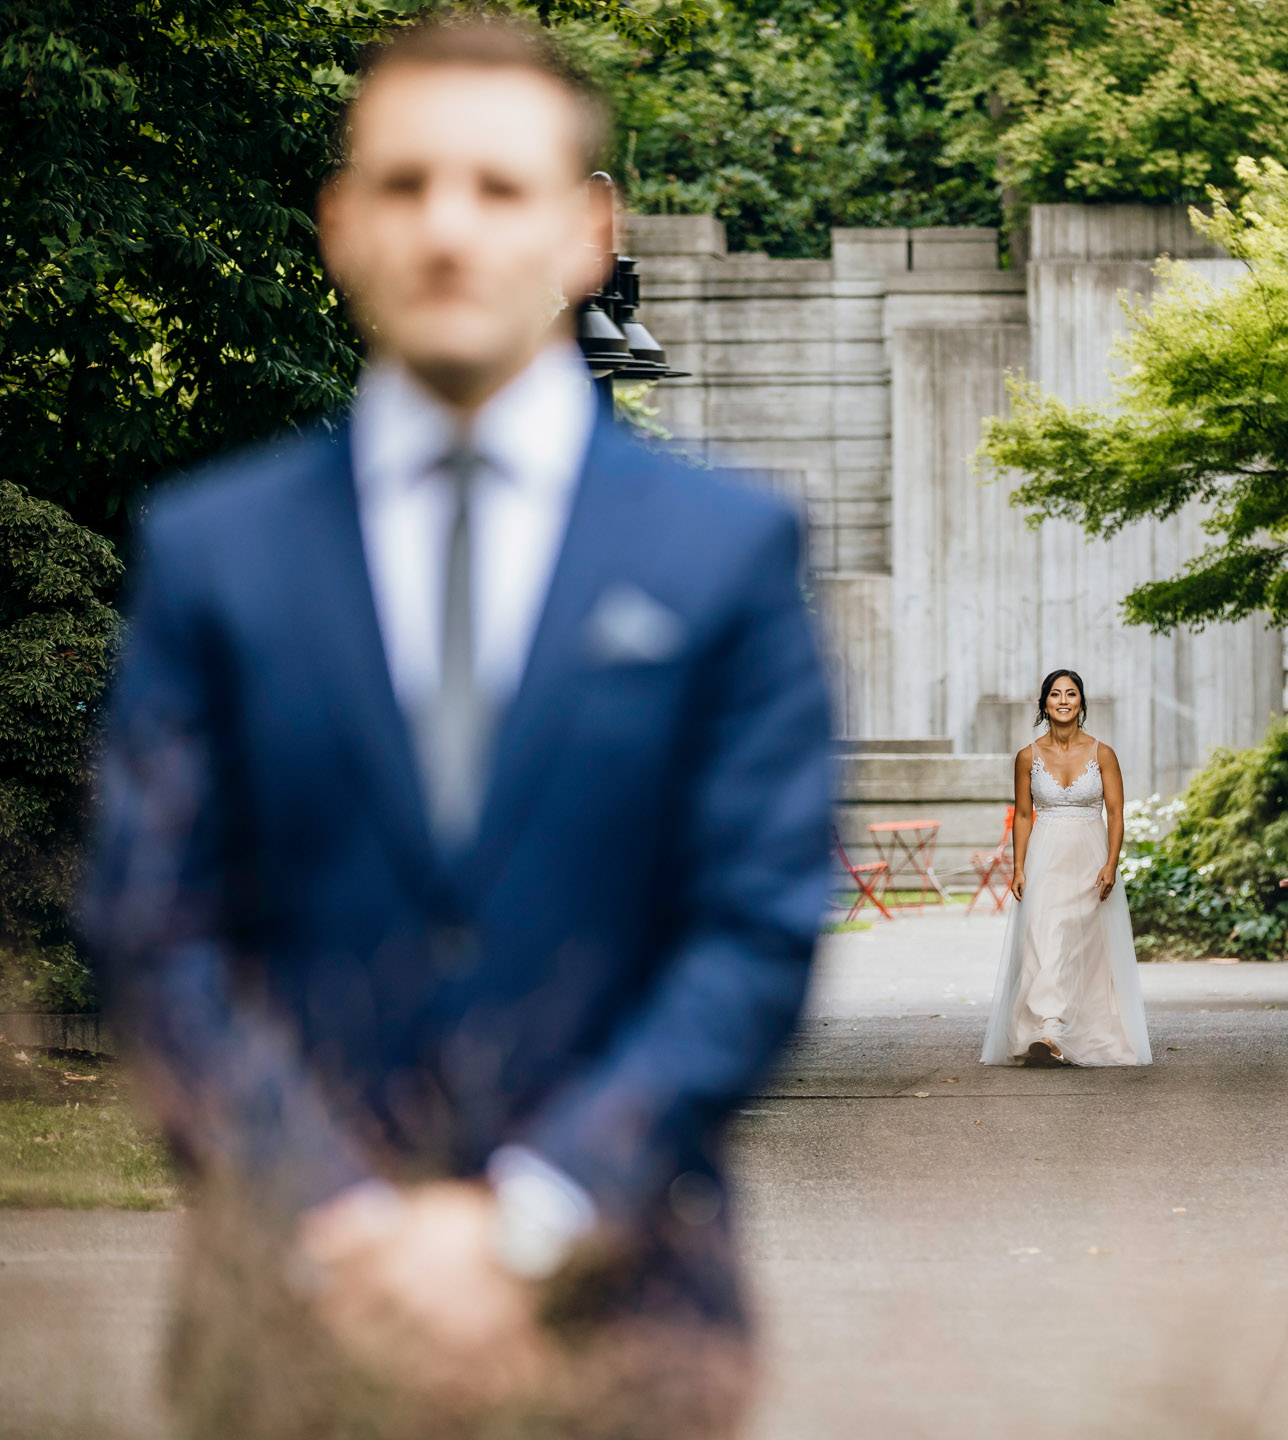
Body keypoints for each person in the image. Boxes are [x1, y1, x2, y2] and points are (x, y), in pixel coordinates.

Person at [79, 15, 831, 1439]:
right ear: (341, 225)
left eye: (498, 188)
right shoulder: (213, 551)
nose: (448, 229)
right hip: (290, 1328)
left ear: (587, 230)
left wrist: (532, 1221)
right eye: (407, 184)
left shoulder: (722, 555)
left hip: (625, 1328)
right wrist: (338, 1218)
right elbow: (154, 928)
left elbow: (753, 928)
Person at [979, 670, 1151, 1068]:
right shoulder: (1027, 756)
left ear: (1081, 703)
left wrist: (1111, 862)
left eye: (1071, 694)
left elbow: (1116, 813)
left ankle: (1078, 1031)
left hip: (1090, 859)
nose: (1063, 700)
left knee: (1083, 949)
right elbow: (1024, 815)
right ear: (1044, 704)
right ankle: (1048, 1029)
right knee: (1044, 938)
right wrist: (1019, 867)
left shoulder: (1102, 753)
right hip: (1045, 858)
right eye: (1055, 694)